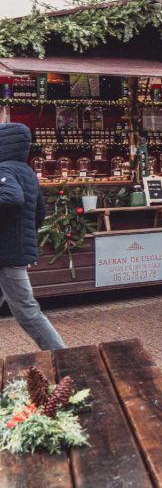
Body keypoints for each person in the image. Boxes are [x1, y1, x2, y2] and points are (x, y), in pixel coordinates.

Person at [0, 123, 66, 350]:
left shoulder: (5, 170)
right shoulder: (27, 171)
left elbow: (11, 198)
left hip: (8, 254)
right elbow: (40, 213)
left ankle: (63, 356)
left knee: (27, 311)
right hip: (13, 250)